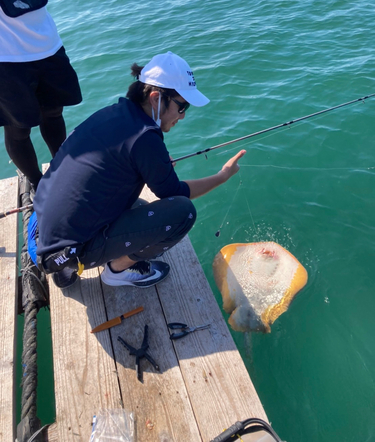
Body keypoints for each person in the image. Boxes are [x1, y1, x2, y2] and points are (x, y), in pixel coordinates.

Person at [30, 51, 246, 289]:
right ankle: (117, 271)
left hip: (46, 227)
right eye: (182, 106)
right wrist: (222, 176)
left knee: (146, 210)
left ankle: (70, 266)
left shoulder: (114, 113)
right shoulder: (144, 137)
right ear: (155, 98)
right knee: (181, 213)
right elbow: (175, 192)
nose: (182, 116)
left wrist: (153, 163)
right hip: (71, 251)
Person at [0, 0, 82, 192]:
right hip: (5, 57)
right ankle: (37, 183)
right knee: (18, 128)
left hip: (47, 44)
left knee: (54, 113)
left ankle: (64, 171)